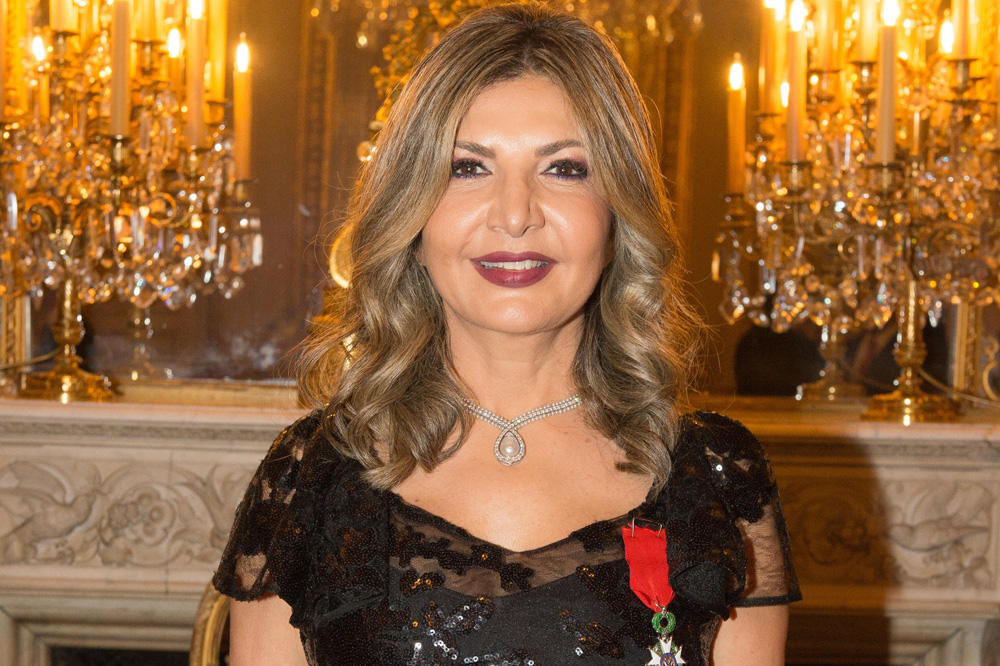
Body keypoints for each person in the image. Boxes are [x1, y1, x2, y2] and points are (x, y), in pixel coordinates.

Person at [212, 4, 800, 665]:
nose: (515, 215)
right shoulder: (309, 477)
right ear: (413, 216)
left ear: (617, 215)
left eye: (564, 168)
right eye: (468, 167)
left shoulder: (718, 476)